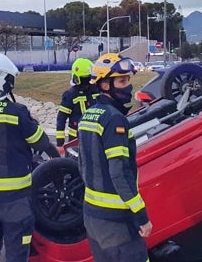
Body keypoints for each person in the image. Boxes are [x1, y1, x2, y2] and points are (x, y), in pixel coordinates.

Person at [0, 52, 60, 262]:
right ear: (4, 81)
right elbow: (40, 143)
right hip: (15, 200)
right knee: (16, 253)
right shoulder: (16, 112)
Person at [77, 53, 152, 262]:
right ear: (105, 85)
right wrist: (142, 215)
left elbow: (82, 165)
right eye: (121, 81)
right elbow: (119, 172)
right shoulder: (114, 119)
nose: (127, 86)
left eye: (128, 80)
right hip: (117, 221)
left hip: (92, 217)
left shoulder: (88, 115)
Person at [55, 57, 100, 146]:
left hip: (94, 137)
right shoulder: (71, 95)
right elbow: (61, 118)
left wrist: (60, 143)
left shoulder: (97, 90)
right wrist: (60, 143)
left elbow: (61, 119)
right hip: (77, 139)